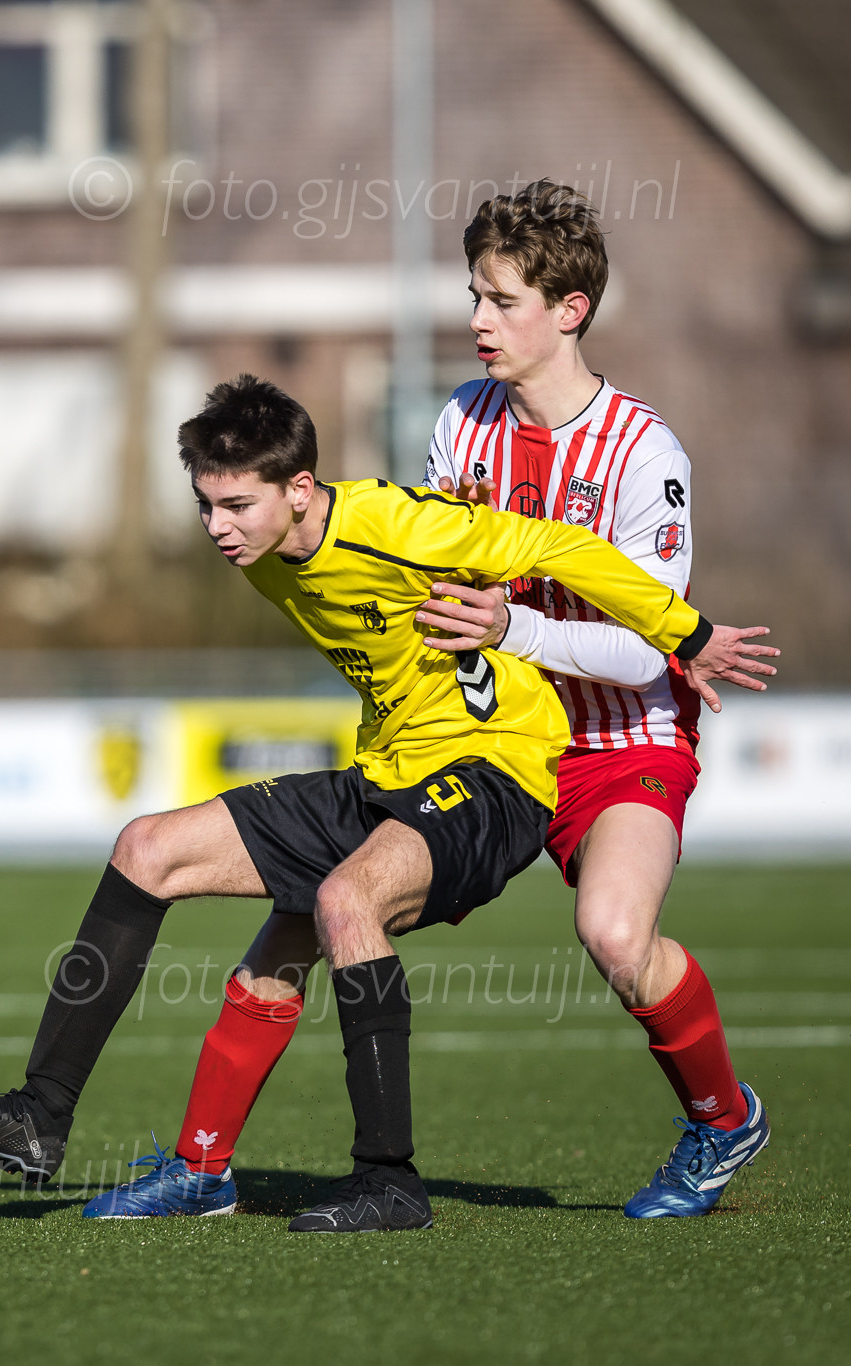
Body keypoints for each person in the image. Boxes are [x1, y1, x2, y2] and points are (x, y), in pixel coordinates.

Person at [0, 374, 773, 1232]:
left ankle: (389, 1182)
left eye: (236, 505)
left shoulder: (392, 524)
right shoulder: (264, 548)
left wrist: (687, 635)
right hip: (386, 772)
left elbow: (563, 550)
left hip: (494, 772)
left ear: (299, 488)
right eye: (205, 505)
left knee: (344, 901)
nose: (217, 526)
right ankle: (43, 1116)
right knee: (146, 849)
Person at [418, 180, 775, 1216]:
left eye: (501, 300)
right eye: (474, 296)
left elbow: (642, 649)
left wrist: (510, 628)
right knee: (338, 898)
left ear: (569, 309)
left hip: (624, 745)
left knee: (615, 934)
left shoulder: (644, 454)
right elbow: (438, 580)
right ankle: (212, 1164)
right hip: (496, 741)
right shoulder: (460, 421)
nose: (478, 320)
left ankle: (722, 1121)